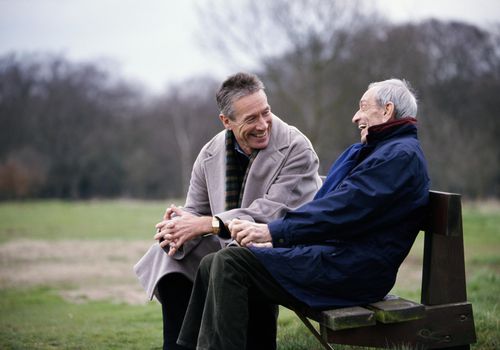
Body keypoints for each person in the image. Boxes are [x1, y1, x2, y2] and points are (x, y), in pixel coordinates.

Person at [176, 78, 431, 350]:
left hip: (353, 273)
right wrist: (277, 241)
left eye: (363, 107)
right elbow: (326, 205)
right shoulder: (370, 152)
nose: (356, 116)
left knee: (232, 263)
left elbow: (339, 211)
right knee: (214, 261)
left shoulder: (398, 158)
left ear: (387, 110)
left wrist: (272, 232)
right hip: (333, 258)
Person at [134, 72, 322, 350]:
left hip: (283, 246)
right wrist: (175, 228)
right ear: (226, 121)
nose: (263, 125)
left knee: (238, 259)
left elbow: (270, 214)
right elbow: (195, 210)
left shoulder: (296, 147)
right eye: (251, 119)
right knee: (169, 256)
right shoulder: (210, 152)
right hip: (229, 243)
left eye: (265, 112)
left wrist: (205, 224)